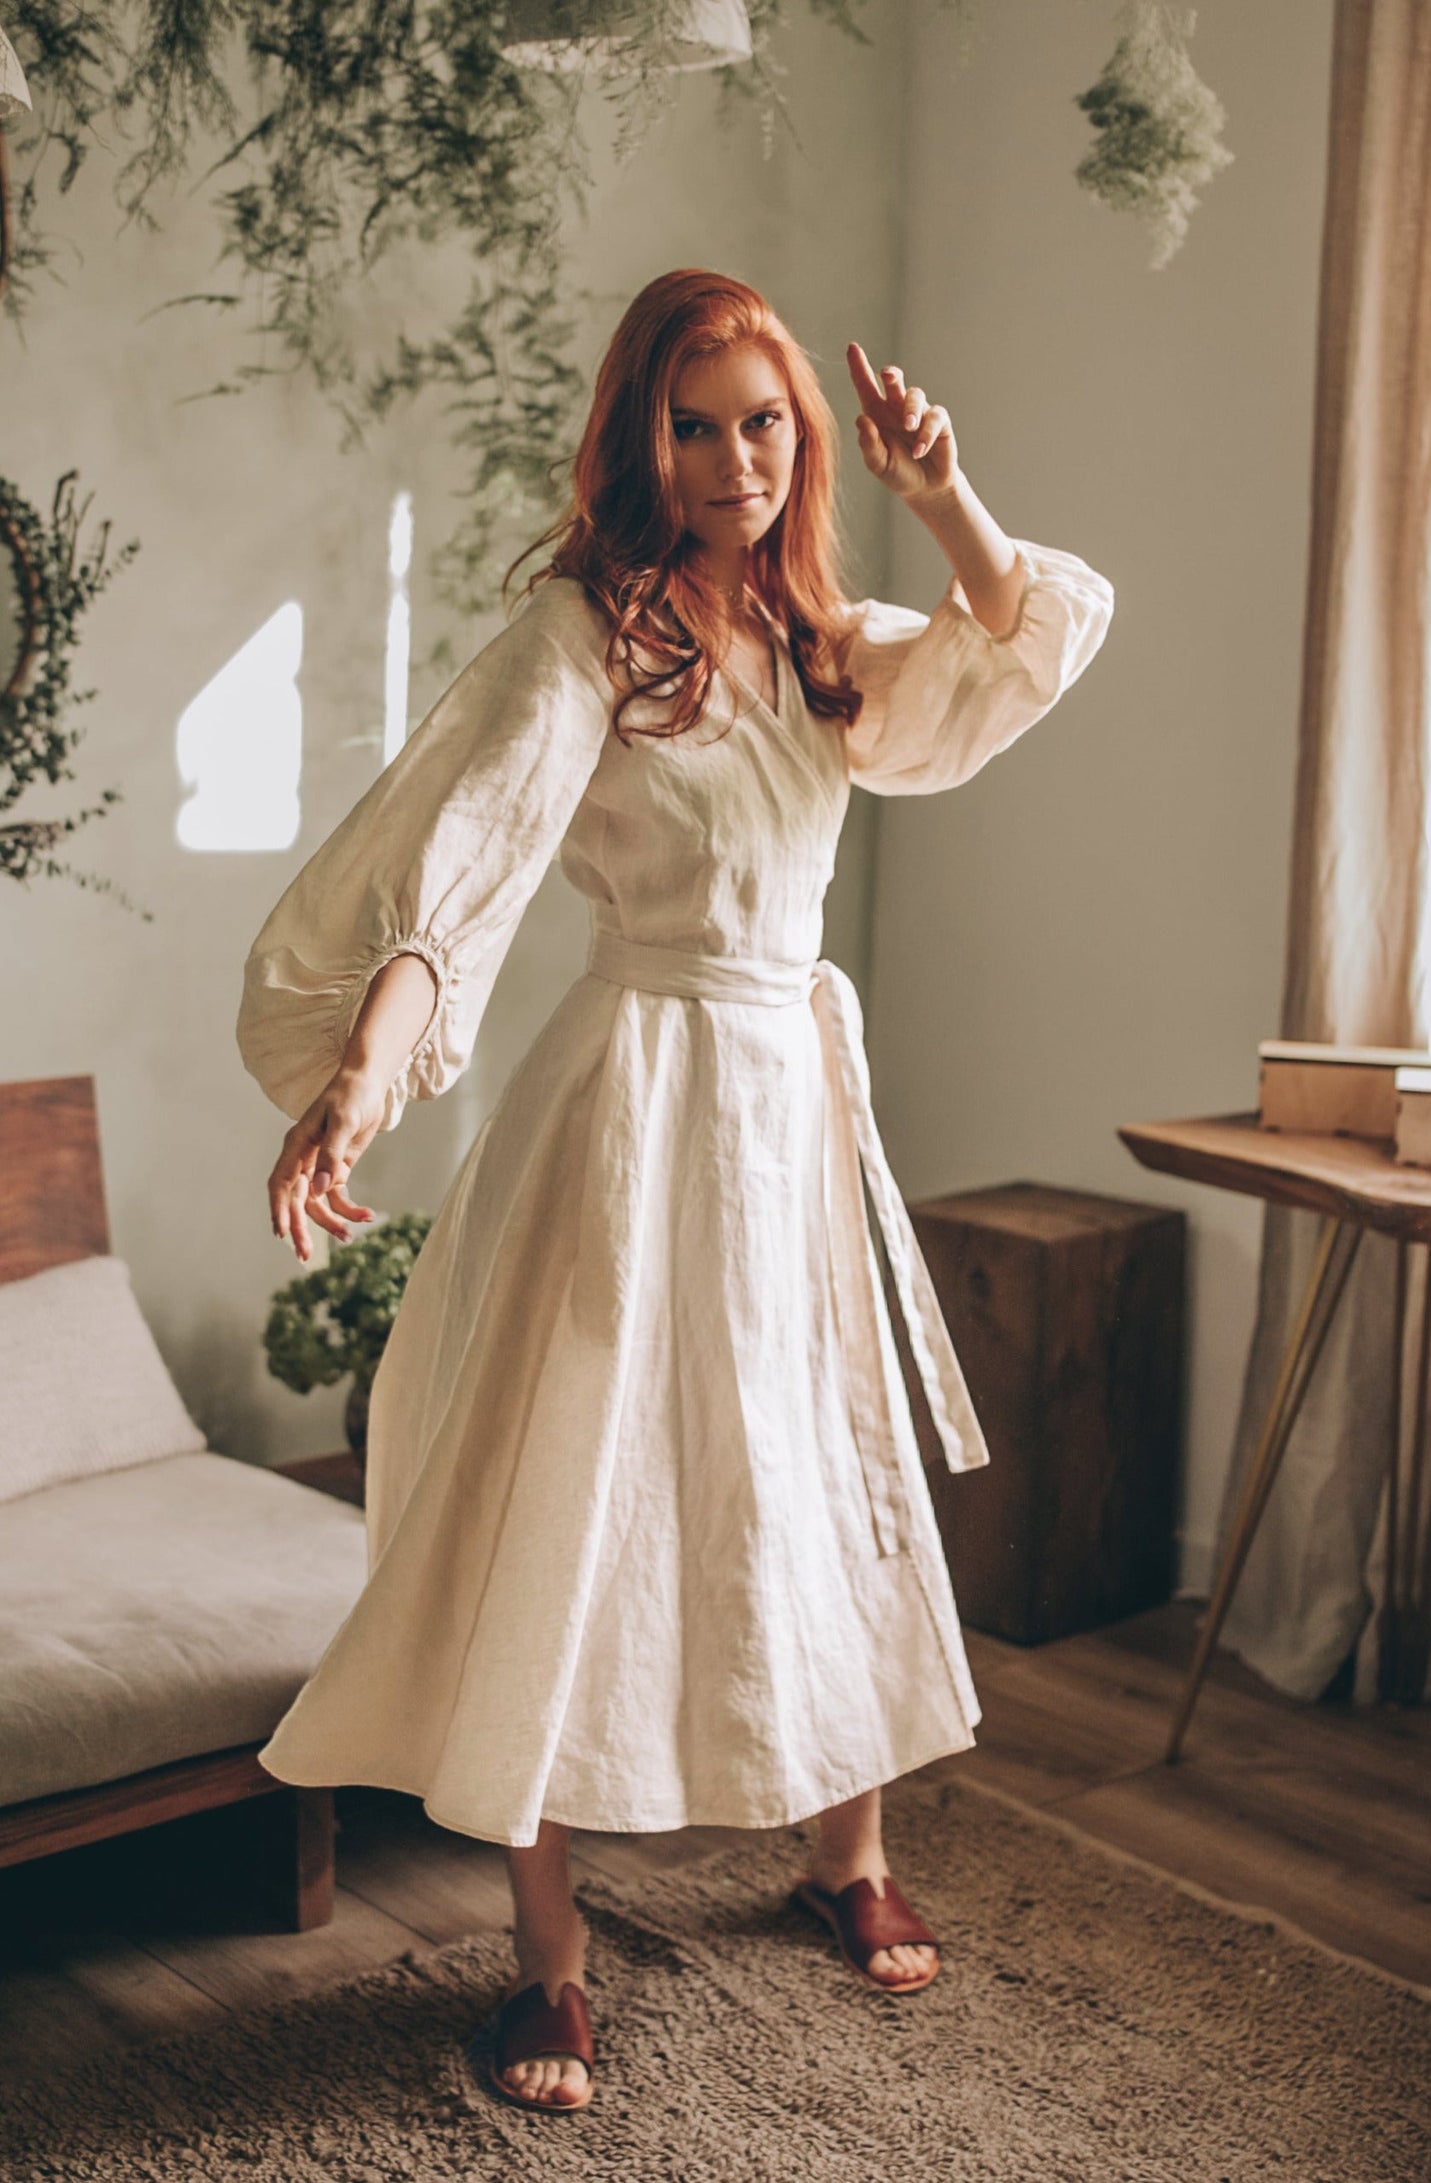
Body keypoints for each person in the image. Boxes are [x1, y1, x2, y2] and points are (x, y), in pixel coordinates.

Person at [236, 266, 1114, 2116]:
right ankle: (547, 1964)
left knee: (811, 1461)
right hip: (630, 1110)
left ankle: (843, 1854)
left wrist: (944, 483)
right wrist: (364, 1080)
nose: (734, 457)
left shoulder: (820, 636)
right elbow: (460, 866)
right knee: (572, 1495)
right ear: (643, 438)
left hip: (786, 1109)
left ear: (809, 440)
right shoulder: (584, 635)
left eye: (765, 421)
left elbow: (1009, 645)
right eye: (696, 423)